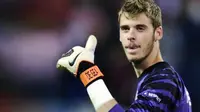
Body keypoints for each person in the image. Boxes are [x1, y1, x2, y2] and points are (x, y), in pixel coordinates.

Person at [56, 0, 192, 111]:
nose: (131, 37)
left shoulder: (164, 81)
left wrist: (86, 70)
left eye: (140, 28)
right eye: (125, 29)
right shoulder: (148, 77)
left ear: (158, 33)